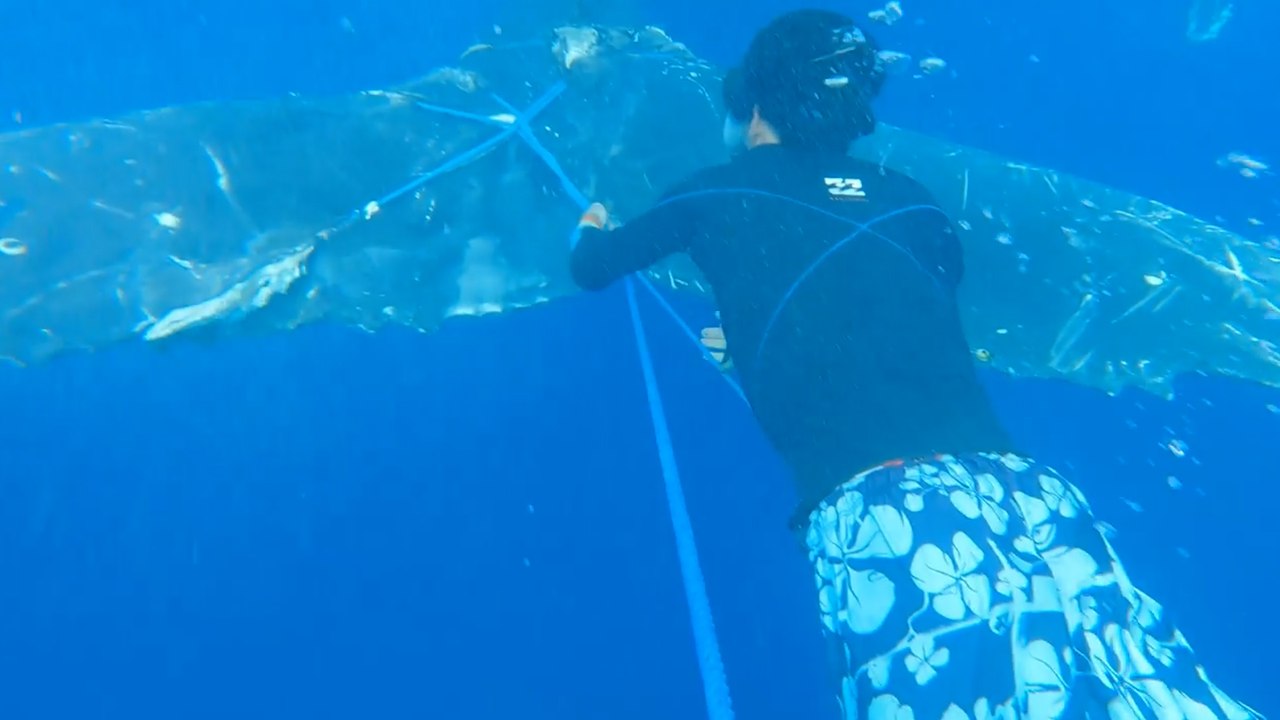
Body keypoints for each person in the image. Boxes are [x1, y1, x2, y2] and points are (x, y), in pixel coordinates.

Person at [569, 9, 1261, 720]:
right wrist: (761, 338)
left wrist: (590, 224)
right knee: (1155, 694)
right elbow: (910, 300)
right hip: (1025, 497)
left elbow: (593, 268)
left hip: (898, 526)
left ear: (753, 107)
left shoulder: (708, 192)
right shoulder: (914, 201)